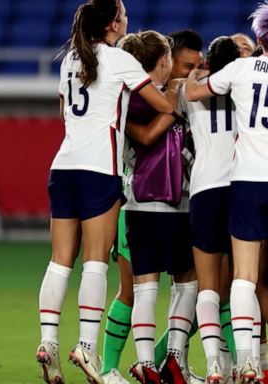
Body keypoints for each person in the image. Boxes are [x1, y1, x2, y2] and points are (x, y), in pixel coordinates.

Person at [36, 1, 178, 384]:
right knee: (96, 262)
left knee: (58, 262)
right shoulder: (118, 60)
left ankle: (48, 341)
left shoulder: (70, 61)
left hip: (63, 165)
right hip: (100, 169)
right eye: (124, 15)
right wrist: (176, 102)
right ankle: (85, 346)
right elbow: (163, 103)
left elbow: (65, 110)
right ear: (115, 24)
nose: (127, 20)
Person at [185, 3, 268, 384]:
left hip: (246, 180)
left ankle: (247, 361)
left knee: (244, 277)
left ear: (261, 35)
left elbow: (197, 91)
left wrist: (190, 79)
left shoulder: (240, 68)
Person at [101, 29, 204, 384]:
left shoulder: (124, 101)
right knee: (187, 283)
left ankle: (146, 363)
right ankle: (174, 356)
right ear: (164, 60)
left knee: (144, 288)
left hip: (135, 205)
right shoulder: (178, 96)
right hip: (177, 205)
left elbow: (134, 143)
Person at [177, 36, 240, 384]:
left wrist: (193, 75)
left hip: (203, 192)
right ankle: (245, 362)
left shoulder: (192, 92)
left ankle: (214, 361)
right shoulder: (244, 89)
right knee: (243, 283)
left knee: (208, 287)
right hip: (240, 189)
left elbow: (181, 94)